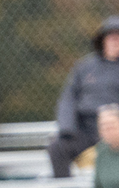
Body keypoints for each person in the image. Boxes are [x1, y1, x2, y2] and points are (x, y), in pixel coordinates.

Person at [49, 17, 119, 178]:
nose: (115, 42)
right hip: (87, 129)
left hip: (115, 128)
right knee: (57, 147)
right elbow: (68, 99)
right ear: (102, 40)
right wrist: (67, 129)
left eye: (118, 38)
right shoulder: (85, 67)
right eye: (111, 37)